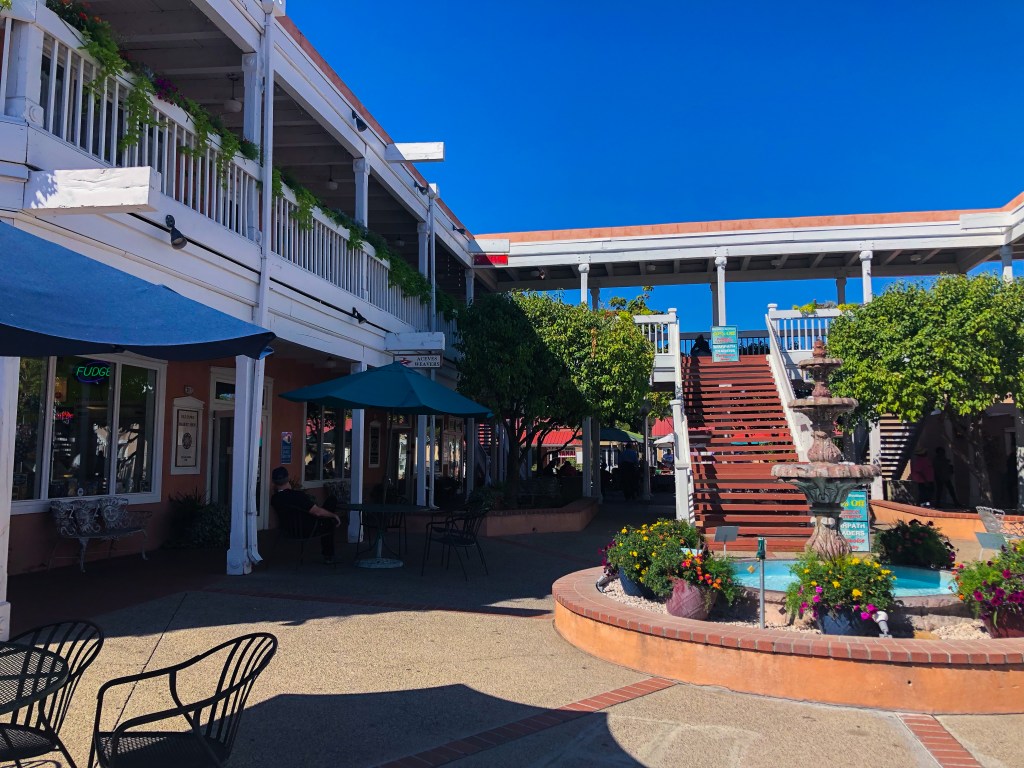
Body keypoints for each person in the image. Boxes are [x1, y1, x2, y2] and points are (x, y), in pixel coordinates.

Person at [269, 466, 341, 563]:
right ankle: (328, 556)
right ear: (288, 478)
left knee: (326, 516)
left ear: (273, 481)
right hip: (309, 528)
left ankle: (328, 556)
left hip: (288, 530)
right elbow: (317, 512)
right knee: (330, 515)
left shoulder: (275, 499)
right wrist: (334, 515)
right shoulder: (298, 496)